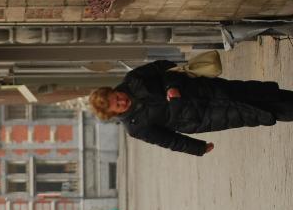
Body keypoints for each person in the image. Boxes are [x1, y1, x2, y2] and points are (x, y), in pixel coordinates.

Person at [88, 59, 293, 156]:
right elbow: (169, 140)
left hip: (205, 89)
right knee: (255, 113)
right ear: (113, 113)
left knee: (258, 93)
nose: (122, 101)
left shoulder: (133, 79)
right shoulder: (135, 127)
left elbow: (164, 66)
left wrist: (171, 86)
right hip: (202, 117)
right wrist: (198, 148)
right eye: (117, 106)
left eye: (117, 97)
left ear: (113, 90)